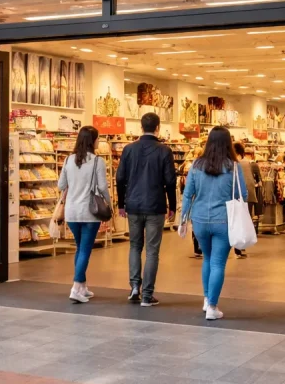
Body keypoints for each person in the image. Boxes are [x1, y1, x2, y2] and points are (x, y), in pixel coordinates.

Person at [180, 127, 248, 320]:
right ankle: (212, 306)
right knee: (218, 262)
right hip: (224, 220)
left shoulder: (196, 164)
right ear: (228, 143)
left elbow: (188, 194)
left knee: (207, 259)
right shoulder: (233, 167)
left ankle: (206, 298)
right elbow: (242, 194)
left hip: (199, 220)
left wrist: (182, 220)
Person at [116, 112, 177, 307]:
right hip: (155, 205)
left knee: (134, 246)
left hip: (133, 205)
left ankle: (134, 286)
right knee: (152, 251)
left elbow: (120, 178)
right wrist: (173, 206)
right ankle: (147, 294)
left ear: (141, 127)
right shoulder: (164, 151)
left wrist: (120, 204)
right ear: (158, 128)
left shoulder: (128, 149)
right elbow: (170, 181)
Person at [57, 126, 111, 304]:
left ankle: (83, 286)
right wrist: (109, 203)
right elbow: (102, 187)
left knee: (80, 248)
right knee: (85, 250)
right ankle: (75, 287)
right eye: (98, 138)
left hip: (72, 212)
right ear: (93, 140)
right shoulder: (97, 161)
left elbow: (61, 185)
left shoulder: (68, 160)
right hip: (90, 212)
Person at [233, 143, 261, 258]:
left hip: (237, 196)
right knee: (243, 221)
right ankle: (240, 247)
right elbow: (250, 182)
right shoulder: (247, 163)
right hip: (246, 197)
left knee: (237, 222)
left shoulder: (237, 164)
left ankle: (239, 247)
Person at [180, 146, 204, 258]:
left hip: (196, 202)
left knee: (195, 227)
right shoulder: (209, 167)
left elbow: (188, 192)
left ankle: (197, 249)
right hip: (210, 206)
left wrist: (183, 216)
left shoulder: (193, 166)